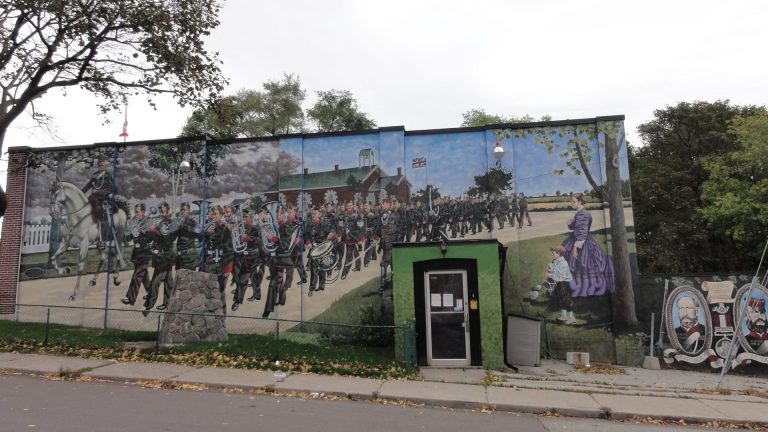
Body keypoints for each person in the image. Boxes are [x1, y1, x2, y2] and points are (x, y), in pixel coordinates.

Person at [561, 193, 615, 297]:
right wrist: (570, 223)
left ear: (580, 202)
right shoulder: (580, 213)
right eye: (571, 202)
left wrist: (576, 247)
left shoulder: (583, 214)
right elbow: (576, 227)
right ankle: (566, 285)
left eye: (573, 202)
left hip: (582, 242)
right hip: (578, 239)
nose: (571, 204)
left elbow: (582, 232)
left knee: (582, 263)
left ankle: (580, 286)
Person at [146, 202, 177, 311]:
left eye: (165, 212)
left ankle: (148, 305)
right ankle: (169, 303)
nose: (163, 214)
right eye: (161, 212)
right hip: (159, 257)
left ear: (168, 211)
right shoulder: (158, 222)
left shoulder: (172, 223)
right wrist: (149, 231)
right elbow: (152, 239)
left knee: (156, 281)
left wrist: (155, 231)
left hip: (166, 256)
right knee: (169, 282)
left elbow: (168, 240)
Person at [121, 204, 152, 315]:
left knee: (137, 276)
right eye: (135, 212)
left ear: (143, 212)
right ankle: (151, 294)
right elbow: (128, 238)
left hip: (145, 252)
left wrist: (138, 231)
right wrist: (127, 229)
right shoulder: (133, 221)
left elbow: (149, 238)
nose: (136, 214)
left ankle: (130, 298)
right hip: (137, 253)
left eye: (138, 212)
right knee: (144, 278)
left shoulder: (148, 222)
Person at [533, 245, 575, 324]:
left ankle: (571, 318)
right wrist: (549, 270)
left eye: (554, 253)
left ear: (559, 253)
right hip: (559, 284)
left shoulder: (563, 263)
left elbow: (560, 276)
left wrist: (549, 275)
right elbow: (552, 269)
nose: (552, 255)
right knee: (561, 300)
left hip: (564, 284)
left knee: (567, 301)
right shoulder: (556, 261)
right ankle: (564, 316)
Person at [203, 205, 234, 311]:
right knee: (210, 289)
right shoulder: (209, 228)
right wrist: (207, 234)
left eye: (216, 214)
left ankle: (222, 315)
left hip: (222, 264)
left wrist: (228, 268)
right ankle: (211, 313)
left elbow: (230, 249)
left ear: (221, 215)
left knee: (220, 291)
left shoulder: (225, 228)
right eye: (213, 214)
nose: (214, 216)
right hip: (211, 263)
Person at [81, 154, 113, 246]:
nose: (101, 163)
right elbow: (88, 186)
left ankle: (102, 238)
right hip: (94, 198)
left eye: (103, 162)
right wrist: (80, 193)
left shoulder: (108, 175)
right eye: (100, 161)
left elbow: (111, 189)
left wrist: (99, 191)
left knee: (101, 211)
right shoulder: (94, 175)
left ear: (106, 163)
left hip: (104, 198)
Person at [175, 202, 199, 271]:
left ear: (188, 211)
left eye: (184, 210)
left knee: (190, 280)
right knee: (179, 280)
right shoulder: (178, 222)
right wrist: (174, 229)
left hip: (189, 258)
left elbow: (197, 233)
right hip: (180, 257)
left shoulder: (193, 222)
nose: (183, 211)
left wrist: (183, 226)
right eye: (181, 210)